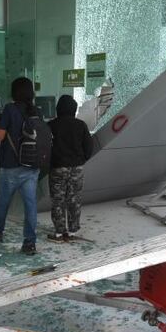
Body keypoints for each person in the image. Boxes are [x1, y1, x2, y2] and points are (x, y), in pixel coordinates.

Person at [0, 77, 41, 255]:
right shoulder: (37, 111)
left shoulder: (10, 109)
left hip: (11, 166)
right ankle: (29, 243)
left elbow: (0, 137)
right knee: (30, 205)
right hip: (32, 166)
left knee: (3, 202)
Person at [46, 94, 95, 241]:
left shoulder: (51, 125)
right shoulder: (81, 125)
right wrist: (81, 159)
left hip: (58, 167)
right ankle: (73, 230)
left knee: (58, 200)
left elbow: (46, 147)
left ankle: (60, 232)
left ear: (58, 109)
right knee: (74, 199)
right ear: (74, 110)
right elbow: (89, 147)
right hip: (76, 168)